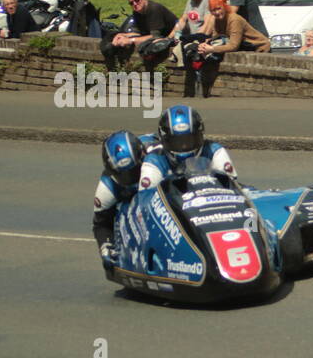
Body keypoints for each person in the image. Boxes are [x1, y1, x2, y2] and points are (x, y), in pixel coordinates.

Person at [139, 105, 236, 191]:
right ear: (164, 140)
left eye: (189, 140)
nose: (184, 146)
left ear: (200, 135)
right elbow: (145, 198)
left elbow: (231, 185)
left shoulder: (214, 151)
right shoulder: (155, 160)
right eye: (176, 142)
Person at [92, 130, 152, 263]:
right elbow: (101, 224)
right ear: (112, 171)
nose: (131, 178)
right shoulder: (107, 188)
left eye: (135, 171)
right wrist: (105, 246)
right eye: (124, 175)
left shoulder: (154, 153)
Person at [102, 0, 179, 69]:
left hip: (173, 37)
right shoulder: (137, 12)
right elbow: (140, 34)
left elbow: (156, 37)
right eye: (131, 3)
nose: (135, 4)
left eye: (137, 0)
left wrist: (131, 40)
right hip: (159, 36)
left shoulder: (154, 9)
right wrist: (122, 35)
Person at [196, 0, 271, 58]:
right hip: (246, 47)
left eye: (219, 8)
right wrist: (205, 45)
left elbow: (233, 46)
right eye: (213, 10)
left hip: (260, 48)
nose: (217, 12)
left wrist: (212, 49)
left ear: (224, 7)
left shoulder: (235, 19)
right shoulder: (217, 20)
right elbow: (216, 39)